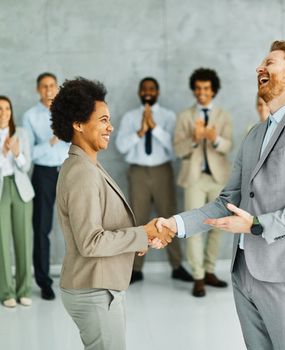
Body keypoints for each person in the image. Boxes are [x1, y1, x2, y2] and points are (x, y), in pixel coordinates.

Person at [159, 41, 285, 349]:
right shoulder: (255, 133)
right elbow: (226, 203)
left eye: (270, 62)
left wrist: (255, 224)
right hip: (244, 273)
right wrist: (174, 224)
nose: (259, 68)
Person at [51, 77, 174, 350]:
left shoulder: (88, 165)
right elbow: (90, 241)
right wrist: (142, 234)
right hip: (94, 290)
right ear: (78, 124)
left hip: (98, 286)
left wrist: (139, 240)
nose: (111, 127)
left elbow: (105, 224)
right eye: (104, 120)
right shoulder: (82, 173)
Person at [115, 77, 192, 284]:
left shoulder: (168, 116)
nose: (148, 92)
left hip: (162, 171)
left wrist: (154, 128)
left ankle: (176, 265)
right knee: (137, 218)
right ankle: (135, 269)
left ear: (157, 92)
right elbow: (121, 146)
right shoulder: (130, 117)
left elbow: (174, 147)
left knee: (168, 217)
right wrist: (140, 131)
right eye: (144, 89)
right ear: (140, 92)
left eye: (152, 89)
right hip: (138, 172)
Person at [174, 68, 233, 297]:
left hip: (218, 179)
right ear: (193, 90)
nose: (201, 93)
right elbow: (178, 150)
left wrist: (214, 138)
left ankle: (209, 270)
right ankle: (197, 276)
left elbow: (228, 146)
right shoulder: (185, 116)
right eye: (198, 89)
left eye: (206, 89)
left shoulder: (223, 115)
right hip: (194, 179)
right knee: (194, 227)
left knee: (218, 227)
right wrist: (195, 139)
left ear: (213, 90)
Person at [22, 72, 69, 300]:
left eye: (52, 86)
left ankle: (80, 277)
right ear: (38, 90)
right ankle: (44, 282)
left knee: (80, 224)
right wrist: (51, 141)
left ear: (57, 88)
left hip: (70, 170)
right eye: (43, 86)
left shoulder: (68, 111)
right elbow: (28, 153)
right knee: (41, 228)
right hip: (44, 174)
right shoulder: (30, 116)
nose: (48, 90)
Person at [0, 96, 34, 308]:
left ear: (11, 111)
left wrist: (17, 152)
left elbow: (26, 166)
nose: (3, 112)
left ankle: (24, 290)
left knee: (23, 240)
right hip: (1, 189)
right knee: (2, 243)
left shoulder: (21, 133)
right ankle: (6, 292)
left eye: (6, 108)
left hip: (21, 190)